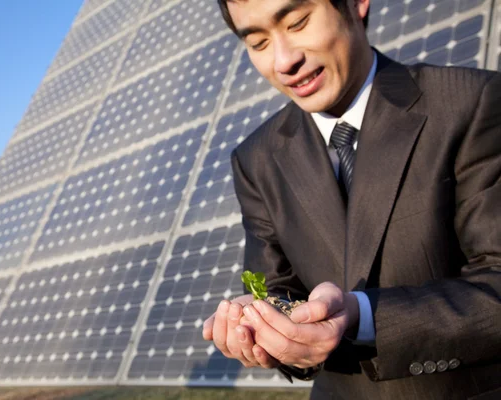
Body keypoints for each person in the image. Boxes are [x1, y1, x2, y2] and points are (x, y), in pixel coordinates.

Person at [202, 0, 501, 398]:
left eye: (298, 22)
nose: (283, 60)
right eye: (257, 43)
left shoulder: (470, 103)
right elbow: (278, 289)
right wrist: (266, 329)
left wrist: (362, 315)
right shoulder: (256, 159)